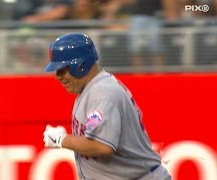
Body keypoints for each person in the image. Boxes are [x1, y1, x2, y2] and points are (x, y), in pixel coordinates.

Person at [42, 33, 171, 180]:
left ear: (80, 66)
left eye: (62, 69)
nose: (57, 76)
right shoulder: (93, 88)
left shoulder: (102, 92)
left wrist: (62, 140)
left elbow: (101, 147)